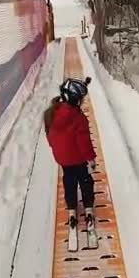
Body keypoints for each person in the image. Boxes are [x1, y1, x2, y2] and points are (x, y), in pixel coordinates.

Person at [44, 77, 97, 228]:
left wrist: (57, 149)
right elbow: (84, 143)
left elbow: (50, 138)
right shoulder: (79, 118)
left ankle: (72, 207)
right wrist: (91, 159)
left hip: (62, 159)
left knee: (69, 181)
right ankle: (88, 206)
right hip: (78, 159)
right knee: (85, 180)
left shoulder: (51, 113)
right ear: (75, 100)